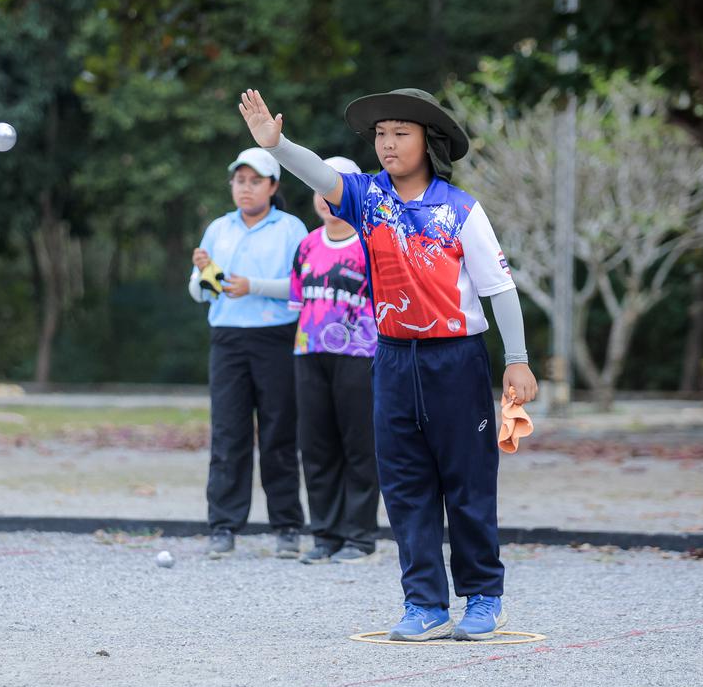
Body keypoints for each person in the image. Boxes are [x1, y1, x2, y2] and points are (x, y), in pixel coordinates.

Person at [238, 89, 539, 641]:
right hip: (393, 360)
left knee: (467, 483)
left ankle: (483, 597)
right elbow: (319, 177)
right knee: (404, 485)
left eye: (401, 132)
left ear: (429, 141)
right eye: (380, 134)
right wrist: (277, 145)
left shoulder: (461, 209)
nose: (388, 143)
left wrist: (517, 361)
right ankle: (424, 602)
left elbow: (500, 289)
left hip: (457, 361)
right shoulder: (367, 197)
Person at [188, 148, 308, 559]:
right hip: (227, 339)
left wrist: (253, 285)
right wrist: (205, 271)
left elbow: (302, 287)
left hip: (275, 338)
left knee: (279, 434)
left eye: (255, 181)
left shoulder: (292, 228)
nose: (246, 188)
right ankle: (223, 526)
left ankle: (288, 526)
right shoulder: (218, 229)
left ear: (273, 187)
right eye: (240, 180)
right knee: (228, 434)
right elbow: (200, 291)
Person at [289, 156, 380, 565]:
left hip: (360, 355)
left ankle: (360, 538)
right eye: (320, 188)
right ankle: (325, 535)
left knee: (360, 446)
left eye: (335, 188)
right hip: (309, 353)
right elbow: (297, 300)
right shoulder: (306, 244)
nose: (327, 198)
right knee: (316, 446)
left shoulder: (371, 241)